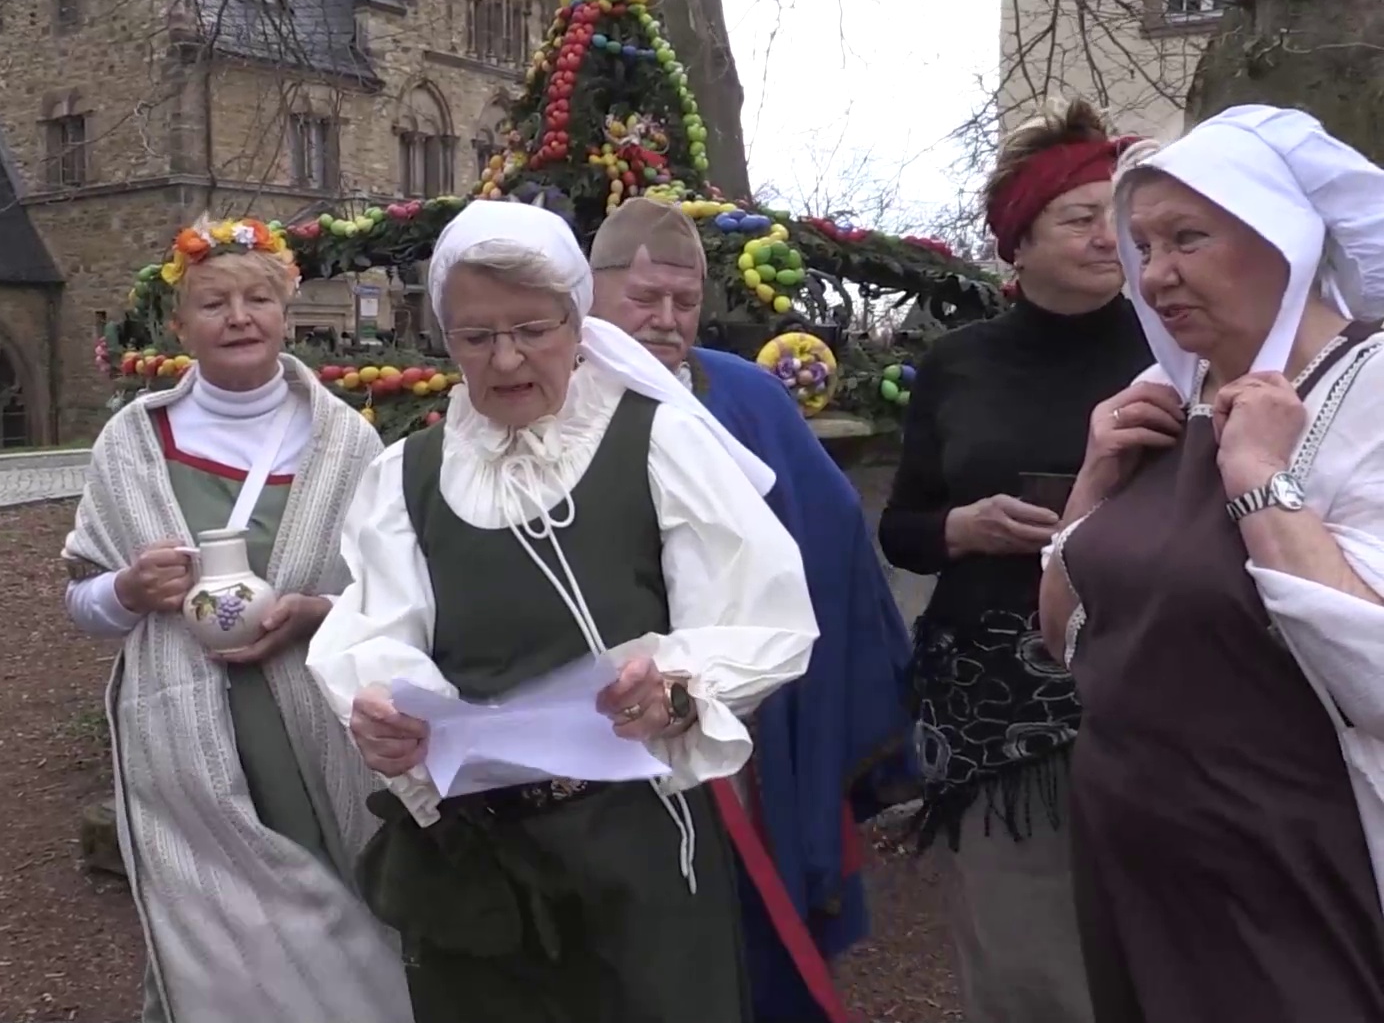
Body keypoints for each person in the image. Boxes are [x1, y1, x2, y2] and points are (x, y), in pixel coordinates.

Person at [307, 198, 819, 1023]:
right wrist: (381, 708)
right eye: (477, 337)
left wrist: (679, 689)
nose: (507, 358)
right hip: (477, 870)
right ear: (446, 337)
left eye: (533, 330)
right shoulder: (406, 476)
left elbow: (764, 616)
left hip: (642, 848)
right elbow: (373, 634)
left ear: (577, 323)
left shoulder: (659, 444)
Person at [1039, 105, 1384, 1020]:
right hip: (1135, 855)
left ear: (1286, 238)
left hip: (1291, 867)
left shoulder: (1370, 393)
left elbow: (1380, 679)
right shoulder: (1160, 399)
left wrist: (1261, 478)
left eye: (1188, 238)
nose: (1155, 275)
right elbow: (1069, 638)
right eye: (1143, 245)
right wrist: (1094, 479)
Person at [61, 217, 410, 1023]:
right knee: (214, 944)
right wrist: (127, 591)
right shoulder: (133, 444)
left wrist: (316, 613)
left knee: (345, 926)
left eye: (258, 298)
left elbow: (394, 600)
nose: (239, 317)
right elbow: (82, 602)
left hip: (317, 737)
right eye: (214, 303)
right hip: (182, 742)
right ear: (180, 324)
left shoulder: (346, 442)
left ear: (288, 309)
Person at [588, 196, 914, 1023]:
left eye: (685, 302)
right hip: (605, 720)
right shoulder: (557, 396)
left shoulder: (746, 397)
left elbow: (833, 533)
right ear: (592, 294)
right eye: (644, 300)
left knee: (755, 937)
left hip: (750, 725)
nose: (666, 320)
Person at [877, 98, 1152, 1023]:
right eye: (1081, 218)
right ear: (1017, 241)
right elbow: (903, 526)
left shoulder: (1175, 349)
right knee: (1022, 954)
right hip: (995, 698)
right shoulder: (959, 365)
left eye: (1119, 218)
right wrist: (964, 527)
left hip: (1146, 671)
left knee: (1155, 938)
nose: (1108, 238)